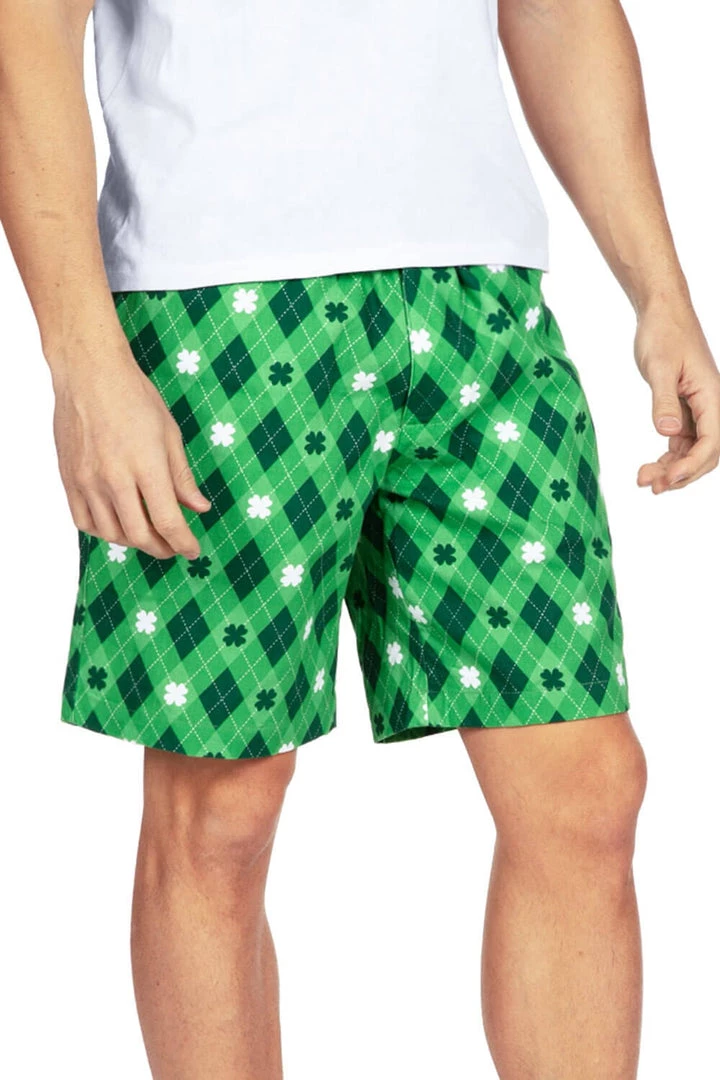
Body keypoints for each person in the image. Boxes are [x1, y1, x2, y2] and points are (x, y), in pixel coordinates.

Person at [1, 0, 718, 1076]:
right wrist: (83, 360)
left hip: (482, 300)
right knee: (223, 806)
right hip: (218, 302)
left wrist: (660, 289)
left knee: (586, 786)